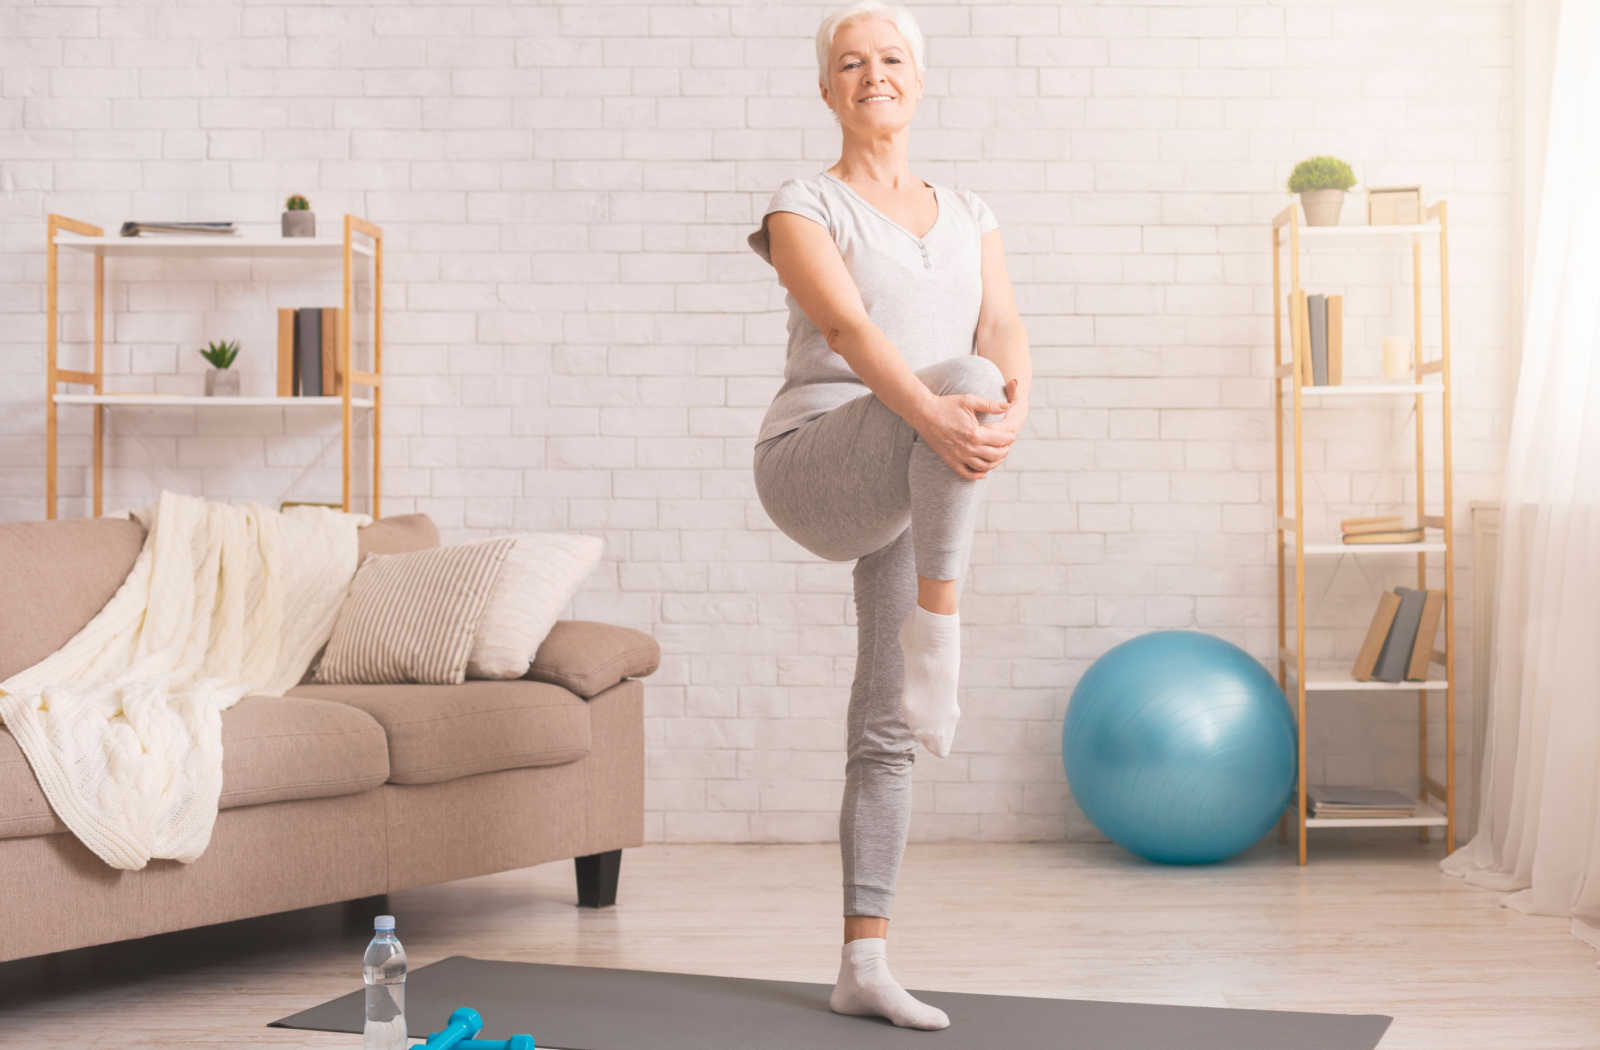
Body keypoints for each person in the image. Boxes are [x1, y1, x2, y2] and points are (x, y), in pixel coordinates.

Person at [745, 0, 1034, 1032]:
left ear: (920, 78)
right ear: (827, 89)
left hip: (925, 458)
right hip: (816, 461)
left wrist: (1005, 417)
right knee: (959, 373)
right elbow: (846, 325)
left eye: (893, 58)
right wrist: (954, 406)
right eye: (852, 62)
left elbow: (1004, 323)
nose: (875, 73)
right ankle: (941, 627)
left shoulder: (969, 210)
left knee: (885, 728)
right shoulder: (801, 203)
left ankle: (862, 961)